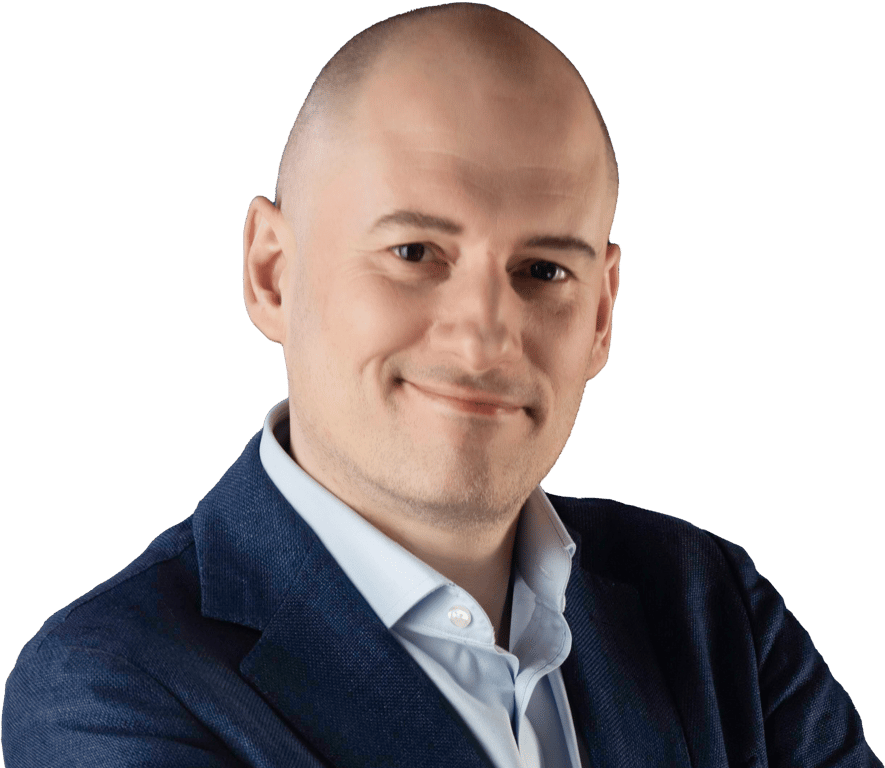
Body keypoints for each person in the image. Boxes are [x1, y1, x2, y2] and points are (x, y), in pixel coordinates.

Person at [2, 4, 880, 767]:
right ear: (271, 273)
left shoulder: (713, 610)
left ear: (601, 316)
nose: (484, 334)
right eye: (414, 252)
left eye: (544, 270)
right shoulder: (110, 685)